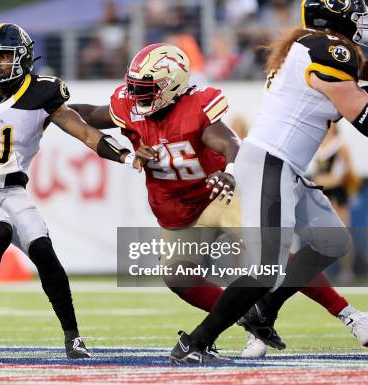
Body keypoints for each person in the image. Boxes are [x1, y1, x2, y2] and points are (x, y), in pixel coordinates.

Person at [70, 43, 368, 360]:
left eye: (145, 89)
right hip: (178, 212)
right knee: (178, 277)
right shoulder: (129, 106)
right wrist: (51, 109)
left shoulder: (197, 106)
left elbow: (229, 143)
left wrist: (231, 170)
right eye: (134, 87)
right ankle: (250, 322)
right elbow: (89, 114)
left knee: (271, 261)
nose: (135, 96)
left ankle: (349, 315)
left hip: (219, 196)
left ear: (171, 85)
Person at [0, 23, 152, 361]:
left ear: (23, 59)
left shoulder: (43, 93)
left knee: (44, 252)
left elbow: (85, 133)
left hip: (11, 189)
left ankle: (73, 337)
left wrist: (126, 156)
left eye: (3, 57)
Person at [169, 0, 368, 363]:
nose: (363, 23)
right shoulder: (328, 50)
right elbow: (360, 112)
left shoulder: (308, 46)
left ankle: (264, 311)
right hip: (270, 164)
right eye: (358, 16)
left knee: (332, 242)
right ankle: (194, 343)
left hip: (283, 165)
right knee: (264, 271)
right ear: (335, 17)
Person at [312, 123, 359, 284]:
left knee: (344, 231)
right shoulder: (319, 146)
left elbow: (347, 171)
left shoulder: (340, 145)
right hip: (322, 192)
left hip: (337, 192)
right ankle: (322, 271)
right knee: (324, 233)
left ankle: (347, 271)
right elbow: (317, 172)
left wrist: (334, 180)